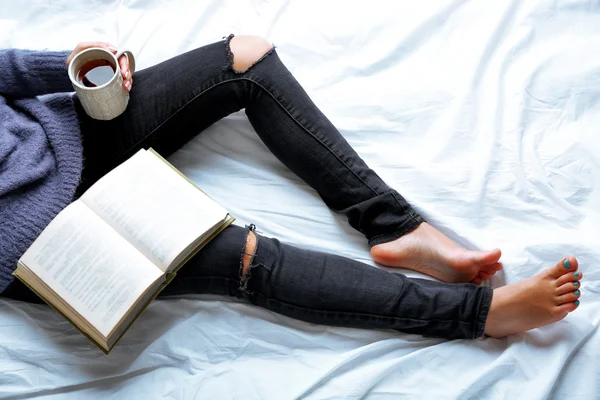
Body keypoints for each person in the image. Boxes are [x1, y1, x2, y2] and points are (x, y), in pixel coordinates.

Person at [0, 35, 582, 341]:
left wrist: (67, 61)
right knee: (247, 257)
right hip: (30, 239)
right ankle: (478, 315)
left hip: (58, 134)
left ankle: (398, 228)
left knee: (244, 58)